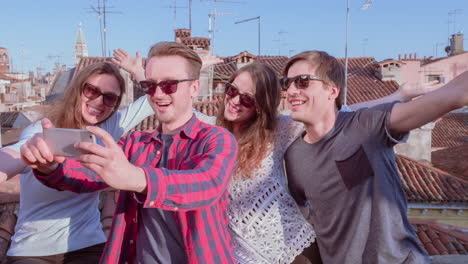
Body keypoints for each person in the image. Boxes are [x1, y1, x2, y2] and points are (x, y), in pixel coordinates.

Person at [112, 49, 434, 264]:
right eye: (232, 91)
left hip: (295, 251)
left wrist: (396, 97)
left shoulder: (277, 131)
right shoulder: (210, 133)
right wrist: (145, 74)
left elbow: (337, 115)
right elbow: (172, 103)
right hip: (242, 255)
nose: (235, 101)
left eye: (247, 99)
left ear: (262, 105)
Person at [21, 41, 238, 264]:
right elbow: (88, 174)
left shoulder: (217, 139)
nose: (158, 94)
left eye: (169, 85)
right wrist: (51, 167)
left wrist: (137, 178)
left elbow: (208, 184)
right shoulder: (136, 143)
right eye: (151, 86)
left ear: (194, 88)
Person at [283, 50, 468, 263]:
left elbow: (452, 96)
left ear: (332, 90)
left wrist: (401, 96)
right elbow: (300, 219)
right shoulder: (294, 155)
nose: (291, 91)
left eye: (303, 82)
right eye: (286, 83)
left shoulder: (367, 126)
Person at [0, 62, 155, 264]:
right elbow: (15, 153)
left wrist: (140, 74)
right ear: (78, 90)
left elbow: (151, 100)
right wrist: (27, 154)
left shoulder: (107, 129)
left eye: (109, 98)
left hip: (87, 244)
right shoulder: (42, 131)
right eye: (92, 91)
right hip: (33, 248)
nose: (99, 101)